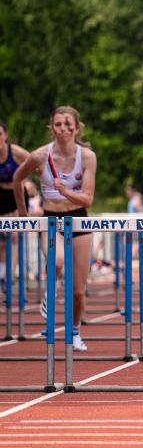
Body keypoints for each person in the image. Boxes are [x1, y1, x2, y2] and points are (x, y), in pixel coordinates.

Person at [13, 106, 97, 352]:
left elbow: (88, 199)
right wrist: (22, 212)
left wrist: (66, 191)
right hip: (51, 220)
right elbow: (18, 178)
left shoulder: (88, 157)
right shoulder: (40, 155)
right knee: (58, 260)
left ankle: (74, 331)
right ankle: (51, 291)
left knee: (79, 292)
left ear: (76, 128)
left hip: (79, 219)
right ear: (52, 128)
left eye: (67, 123)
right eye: (58, 124)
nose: (63, 128)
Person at [0, 121, 30, 285]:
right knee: (1, 240)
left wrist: (30, 182)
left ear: (5, 136)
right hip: (1, 196)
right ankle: (2, 273)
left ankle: (9, 277)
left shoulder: (16, 152)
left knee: (15, 235)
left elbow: (37, 164)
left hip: (16, 195)